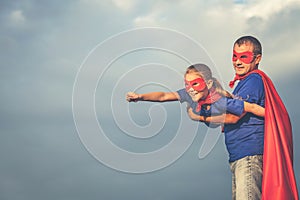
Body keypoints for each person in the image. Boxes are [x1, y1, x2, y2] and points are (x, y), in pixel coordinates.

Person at [191, 36, 299, 200]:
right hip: (240, 157)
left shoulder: (253, 79)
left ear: (257, 59)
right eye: (235, 56)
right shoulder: (242, 83)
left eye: (244, 57)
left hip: (249, 157)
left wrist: (208, 106)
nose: (237, 62)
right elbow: (227, 113)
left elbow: (234, 115)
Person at [126, 63, 265, 128]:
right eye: (187, 84)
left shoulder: (220, 101)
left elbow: (249, 109)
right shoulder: (189, 93)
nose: (191, 89)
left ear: (209, 84)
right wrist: (140, 97)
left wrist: (275, 115)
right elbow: (163, 96)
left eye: (196, 84)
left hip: (223, 115)